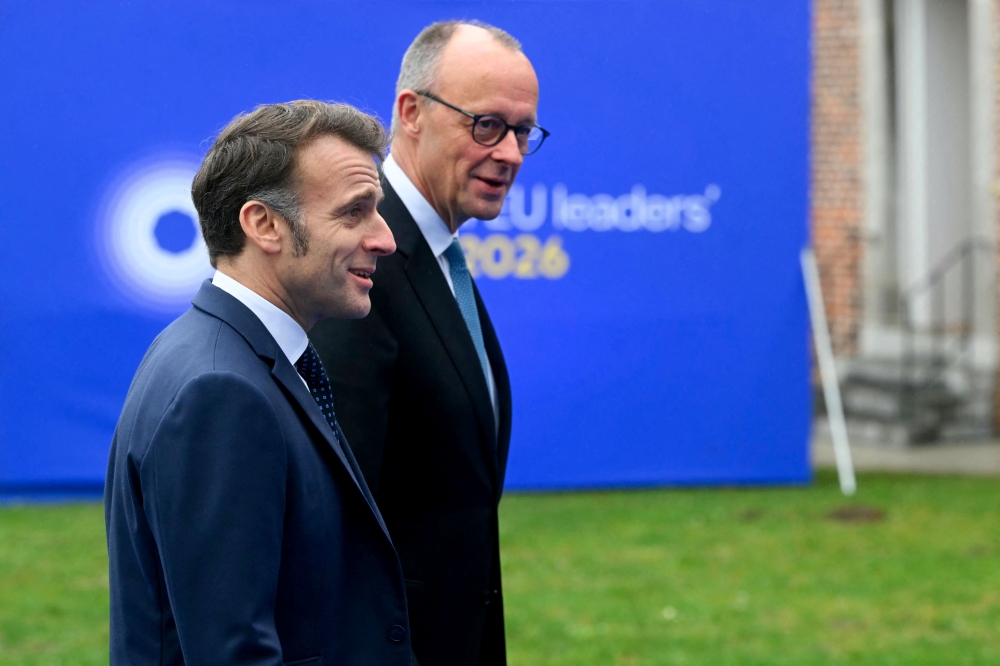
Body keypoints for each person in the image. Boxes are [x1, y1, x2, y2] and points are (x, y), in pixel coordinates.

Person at [104, 101, 413, 665]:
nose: (385, 238)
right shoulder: (221, 391)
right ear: (264, 225)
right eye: (354, 213)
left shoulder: (228, 356)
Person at [309, 21, 548, 666]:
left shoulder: (438, 252)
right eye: (487, 125)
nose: (511, 153)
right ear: (411, 113)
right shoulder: (364, 253)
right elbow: (339, 507)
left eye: (523, 131)